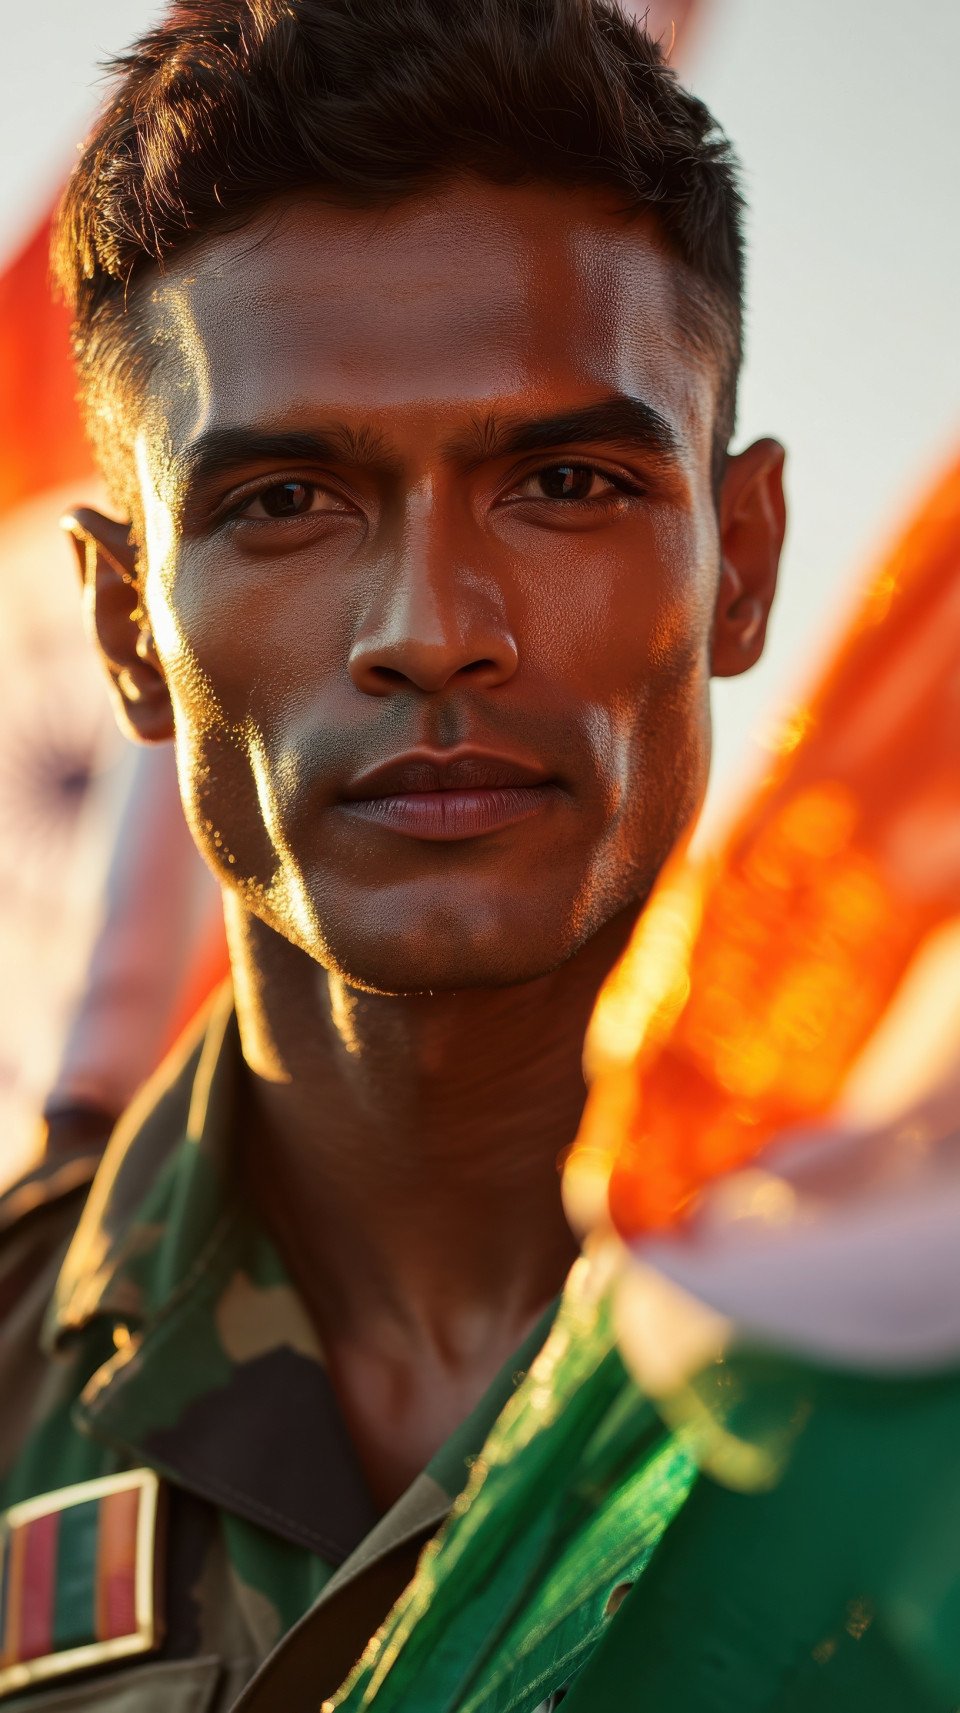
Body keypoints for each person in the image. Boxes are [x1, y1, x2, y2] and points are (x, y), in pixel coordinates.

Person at [0, 3, 785, 1708]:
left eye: (566, 480)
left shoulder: (895, 1343)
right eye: (285, 501)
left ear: (743, 564)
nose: (433, 632)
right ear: (128, 626)